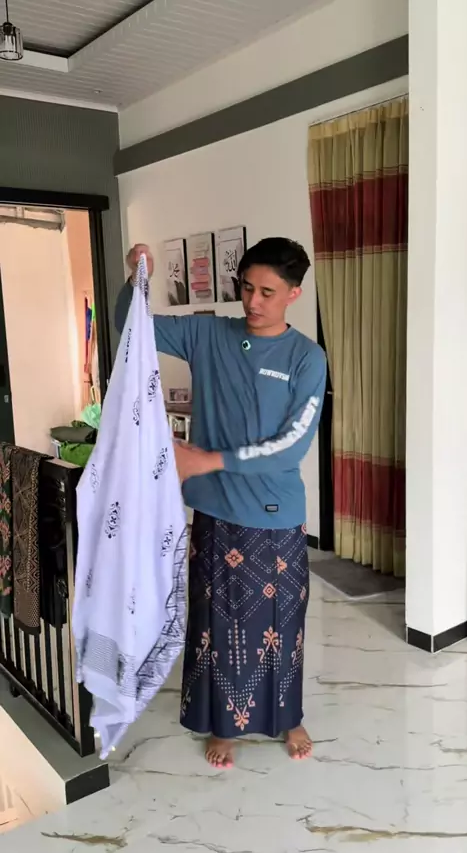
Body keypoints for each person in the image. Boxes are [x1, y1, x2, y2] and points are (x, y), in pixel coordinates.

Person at [115, 237, 327, 769]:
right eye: (247, 288)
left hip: (275, 515)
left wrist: (207, 460)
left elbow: (292, 445)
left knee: (282, 625)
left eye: (267, 292)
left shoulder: (306, 357)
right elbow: (131, 327)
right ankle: (223, 725)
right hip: (215, 511)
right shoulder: (208, 334)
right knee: (216, 625)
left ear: (294, 294)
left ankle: (288, 718)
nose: (253, 301)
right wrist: (136, 277)